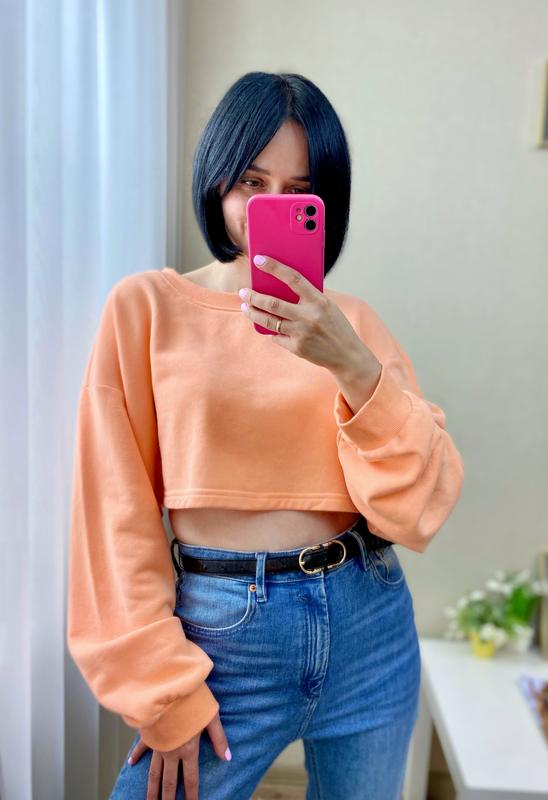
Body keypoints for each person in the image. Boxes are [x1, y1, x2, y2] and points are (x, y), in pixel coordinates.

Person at [67, 70, 465, 800]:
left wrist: (352, 365)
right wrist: (160, 689)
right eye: (252, 182)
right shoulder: (146, 308)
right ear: (217, 179)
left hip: (369, 618)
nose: (269, 208)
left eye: (298, 191)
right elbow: (113, 514)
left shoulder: (352, 324)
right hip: (223, 638)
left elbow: (419, 505)